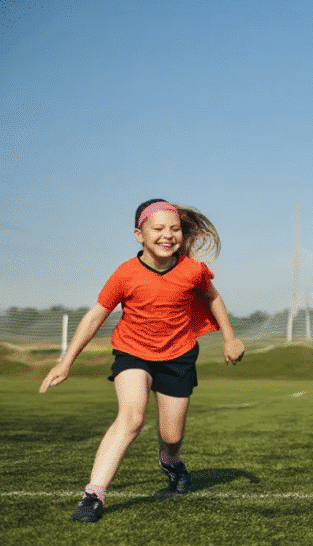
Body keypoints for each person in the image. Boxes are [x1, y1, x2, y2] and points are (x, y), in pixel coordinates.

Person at [39, 199, 246, 523]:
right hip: (132, 352)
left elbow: (212, 297)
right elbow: (95, 317)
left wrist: (230, 337)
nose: (168, 235)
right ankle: (93, 495)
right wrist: (66, 362)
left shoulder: (193, 270)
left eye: (174, 229)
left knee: (172, 436)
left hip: (177, 357)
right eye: (159, 229)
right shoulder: (125, 274)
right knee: (131, 417)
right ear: (139, 234)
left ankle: (171, 461)